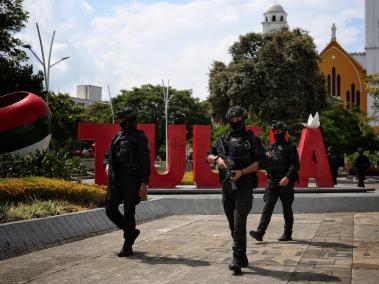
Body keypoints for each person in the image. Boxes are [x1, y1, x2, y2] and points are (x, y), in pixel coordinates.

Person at [206, 106, 266, 274]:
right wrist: (217, 159)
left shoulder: (251, 139)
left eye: (237, 119)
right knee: (233, 224)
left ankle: (237, 260)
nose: (234, 122)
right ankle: (242, 256)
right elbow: (208, 155)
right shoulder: (223, 140)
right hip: (227, 187)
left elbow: (262, 162)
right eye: (231, 119)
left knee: (239, 222)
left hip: (244, 186)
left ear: (243, 118)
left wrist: (242, 172)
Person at [104, 107, 150, 257]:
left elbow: (145, 161)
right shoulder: (117, 136)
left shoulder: (139, 136)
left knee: (129, 212)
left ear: (130, 119)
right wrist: (107, 164)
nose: (120, 122)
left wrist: (144, 183)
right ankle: (131, 232)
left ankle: (127, 246)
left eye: (122, 119)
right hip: (116, 179)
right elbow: (107, 154)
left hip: (132, 179)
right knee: (110, 208)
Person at [250, 120, 300, 242]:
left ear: (284, 132)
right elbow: (267, 164)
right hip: (272, 180)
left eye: (279, 131)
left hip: (285, 181)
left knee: (287, 208)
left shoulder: (291, 147)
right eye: (275, 132)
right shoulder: (271, 147)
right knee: (268, 206)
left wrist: (288, 177)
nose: (277, 133)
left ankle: (288, 233)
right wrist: (267, 158)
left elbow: (295, 165)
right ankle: (260, 232)